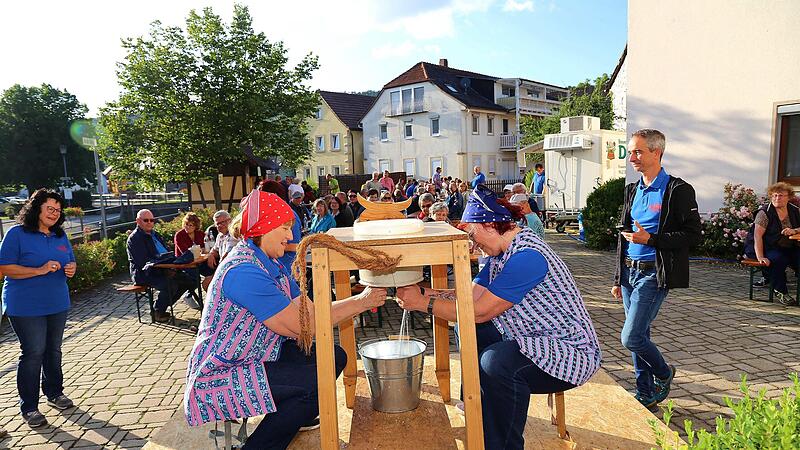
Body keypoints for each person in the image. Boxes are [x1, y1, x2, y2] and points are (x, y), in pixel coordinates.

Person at [396, 185, 601, 450]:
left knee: (496, 363)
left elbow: (480, 311)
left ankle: (502, 443)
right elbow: (469, 297)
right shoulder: (501, 253)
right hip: (535, 339)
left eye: (472, 234)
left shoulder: (527, 256)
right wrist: (425, 291)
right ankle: (482, 406)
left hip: (570, 352)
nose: (472, 243)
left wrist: (423, 303)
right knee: (471, 330)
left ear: (490, 225)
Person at [184, 190, 386, 449]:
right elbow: (305, 327)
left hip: (257, 356)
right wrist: (362, 301)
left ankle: (292, 415)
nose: (291, 236)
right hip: (221, 375)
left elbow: (310, 313)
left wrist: (362, 300)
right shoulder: (244, 271)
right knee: (314, 383)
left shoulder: (270, 263)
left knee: (332, 356)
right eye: (285, 228)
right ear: (264, 228)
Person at [611, 129, 701, 409]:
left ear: (656, 152)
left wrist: (651, 239)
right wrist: (618, 277)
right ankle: (646, 393)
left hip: (654, 273)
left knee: (632, 337)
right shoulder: (632, 190)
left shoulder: (678, 190)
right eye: (631, 152)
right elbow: (623, 236)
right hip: (629, 273)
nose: (632, 157)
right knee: (641, 336)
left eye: (638, 151)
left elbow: (693, 235)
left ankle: (664, 373)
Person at [0, 189, 78, 428]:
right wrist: (39, 270)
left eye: (58, 210)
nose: (55, 214)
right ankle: (30, 407)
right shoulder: (17, 234)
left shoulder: (59, 235)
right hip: (25, 305)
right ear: (37, 209)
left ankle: (54, 393)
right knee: (33, 352)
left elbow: (71, 260)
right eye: (50, 209)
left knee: (53, 350)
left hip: (57, 302)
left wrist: (72, 268)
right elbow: (3, 268)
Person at [127, 209, 195, 323]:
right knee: (170, 284)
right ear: (138, 221)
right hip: (145, 273)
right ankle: (158, 311)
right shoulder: (135, 239)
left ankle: (159, 308)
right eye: (146, 220)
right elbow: (143, 262)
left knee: (189, 281)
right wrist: (165, 268)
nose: (149, 222)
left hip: (163, 268)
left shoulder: (155, 234)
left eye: (152, 220)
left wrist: (171, 265)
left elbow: (166, 252)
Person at [744, 182, 800, 305]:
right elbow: (757, 236)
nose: (777, 198)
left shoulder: (795, 210)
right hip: (768, 247)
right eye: (774, 195)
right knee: (778, 260)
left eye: (780, 195)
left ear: (789, 197)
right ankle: (780, 291)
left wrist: (794, 230)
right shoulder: (764, 213)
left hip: (791, 246)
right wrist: (760, 257)